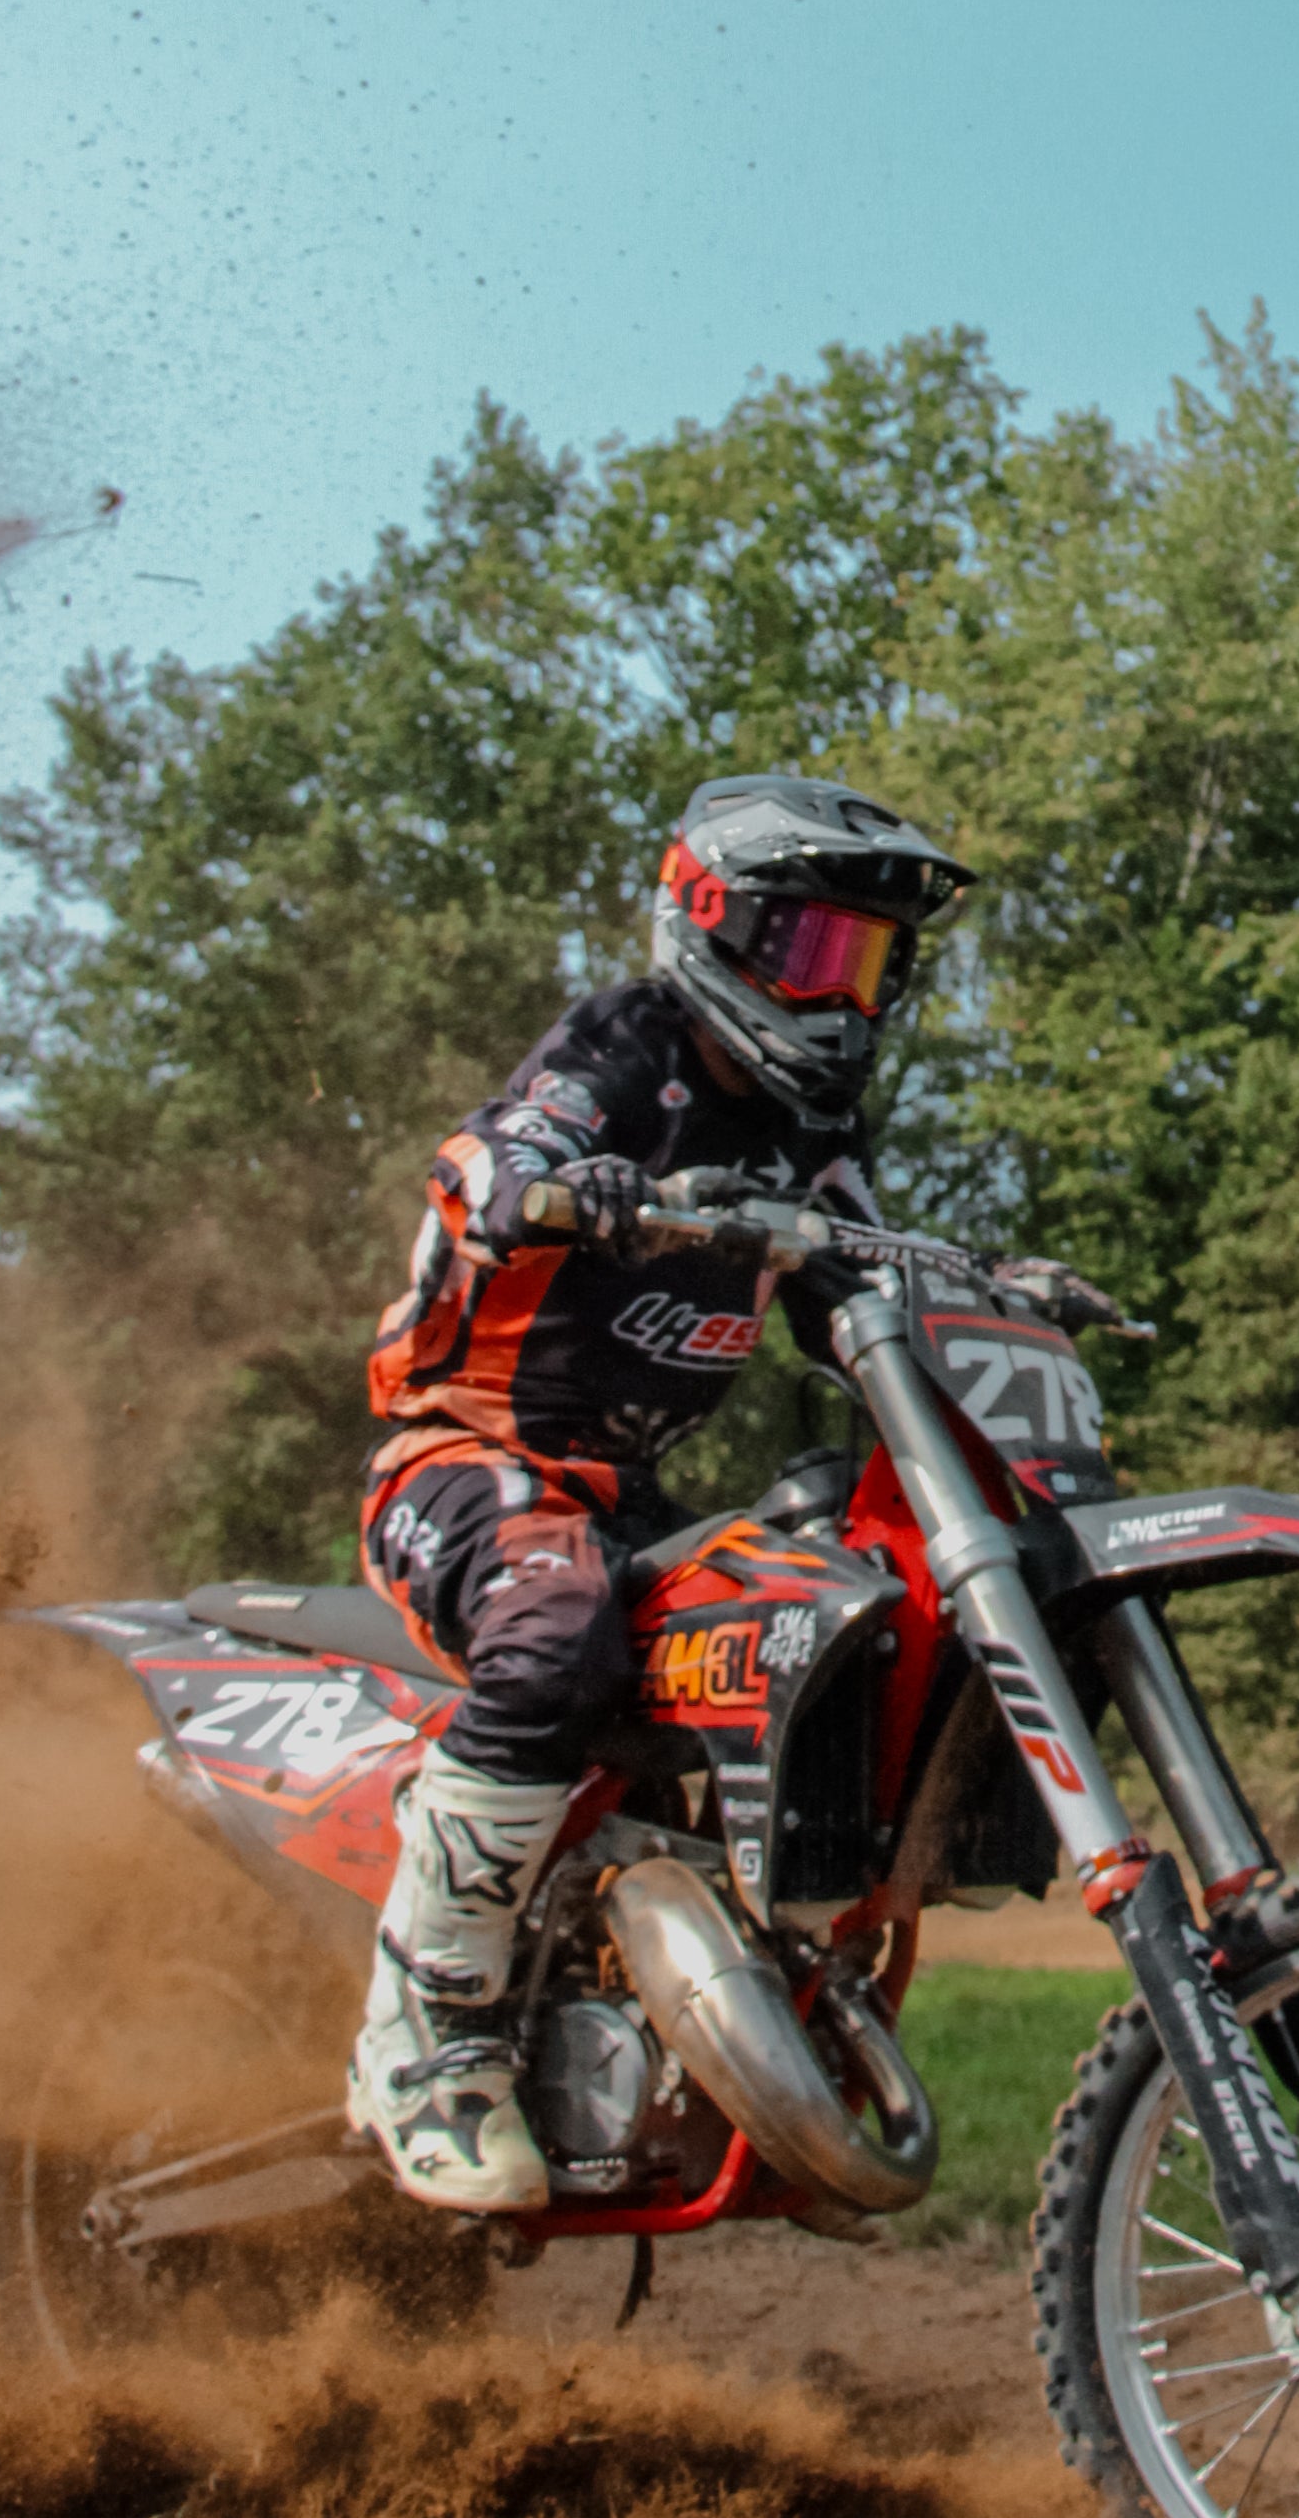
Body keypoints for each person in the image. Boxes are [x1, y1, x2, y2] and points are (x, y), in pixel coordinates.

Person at [345, 771, 972, 2212]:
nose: (849, 994)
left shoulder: (809, 1136)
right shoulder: (629, 1046)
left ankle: (717, 2025)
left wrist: (986, 1311)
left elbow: (860, 1286)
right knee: (558, 1632)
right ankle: (424, 2032)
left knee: (818, 1603)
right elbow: (492, 1149)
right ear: (716, 924)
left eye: (871, 961)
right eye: (819, 950)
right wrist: (539, 1178)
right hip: (460, 1462)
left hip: (616, 1497)